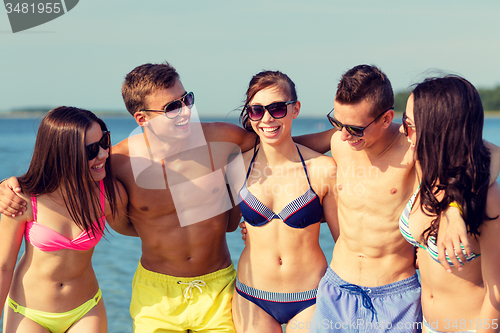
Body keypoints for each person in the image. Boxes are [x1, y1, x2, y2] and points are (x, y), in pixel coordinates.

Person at [0, 62, 333, 332]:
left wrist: (349, 133)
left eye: (186, 99)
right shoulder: (118, 162)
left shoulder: (222, 139)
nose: (185, 111)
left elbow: (278, 145)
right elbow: (61, 180)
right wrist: (13, 185)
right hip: (155, 293)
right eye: (172, 107)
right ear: (142, 118)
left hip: (217, 286)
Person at [309, 65, 500, 332]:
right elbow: (284, 152)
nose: (342, 134)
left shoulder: (412, 152)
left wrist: (454, 209)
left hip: (397, 297)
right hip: (339, 289)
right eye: (337, 123)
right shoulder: (342, 143)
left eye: (354, 128)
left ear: (387, 119)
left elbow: (486, 153)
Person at [0, 107, 134, 333]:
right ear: (63, 153)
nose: (103, 154)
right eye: (91, 150)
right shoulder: (22, 197)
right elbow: (3, 266)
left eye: (105, 141)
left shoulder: (110, 195)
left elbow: (144, 230)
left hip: (85, 310)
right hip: (28, 312)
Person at [226, 71, 337, 333]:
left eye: (277, 109)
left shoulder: (323, 169)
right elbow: (228, 224)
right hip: (251, 295)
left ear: (295, 109)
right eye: (256, 110)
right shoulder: (236, 168)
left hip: (311, 296)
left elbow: (343, 240)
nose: (267, 119)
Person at [399, 75, 500, 332]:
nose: (402, 131)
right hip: (425, 324)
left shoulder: (488, 199)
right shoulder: (425, 169)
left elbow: (497, 293)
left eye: (409, 125)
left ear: (438, 130)